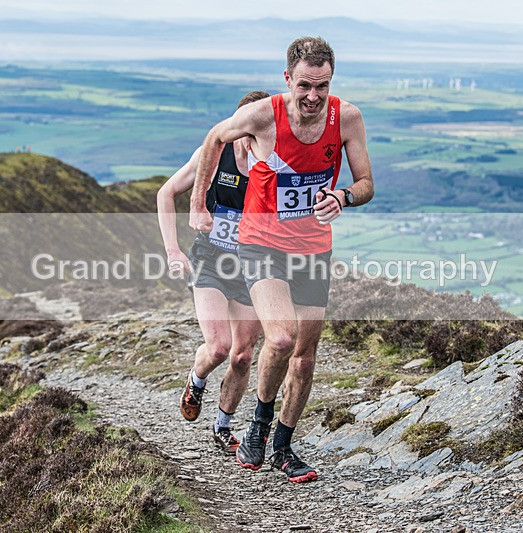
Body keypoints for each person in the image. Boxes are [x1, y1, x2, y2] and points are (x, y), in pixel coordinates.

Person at [189, 37, 374, 482]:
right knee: (281, 340)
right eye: (305, 86)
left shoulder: (346, 118)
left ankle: (283, 447)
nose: (313, 97)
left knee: (305, 358)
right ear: (287, 78)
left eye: (323, 86)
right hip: (262, 244)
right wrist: (199, 203)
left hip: (312, 247)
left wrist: (344, 197)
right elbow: (215, 137)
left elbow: (367, 182)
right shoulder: (262, 115)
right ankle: (258, 426)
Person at [157, 90, 269, 454]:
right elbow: (166, 192)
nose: (250, 140)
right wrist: (173, 250)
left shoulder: (274, 163)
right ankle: (197, 378)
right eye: (244, 131)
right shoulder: (214, 154)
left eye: (259, 133)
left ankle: (223, 425)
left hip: (251, 266)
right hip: (210, 259)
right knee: (219, 347)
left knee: (242, 355)